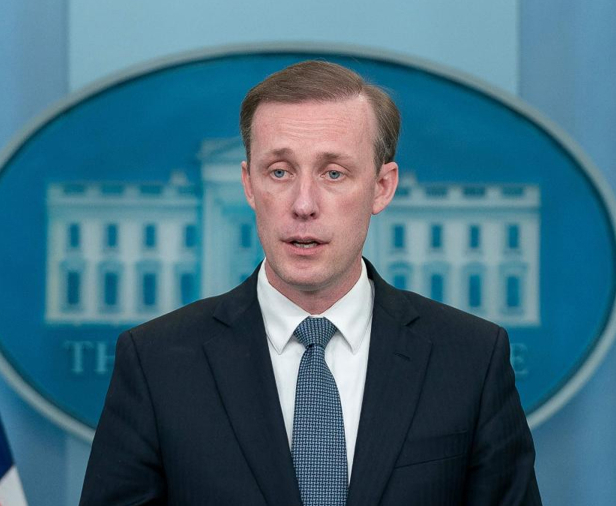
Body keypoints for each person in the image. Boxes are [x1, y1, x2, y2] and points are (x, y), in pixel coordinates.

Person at [79, 60, 542, 506]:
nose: (303, 204)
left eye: (333, 173)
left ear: (382, 187)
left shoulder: (472, 359)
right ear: (249, 184)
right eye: (279, 172)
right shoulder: (155, 362)